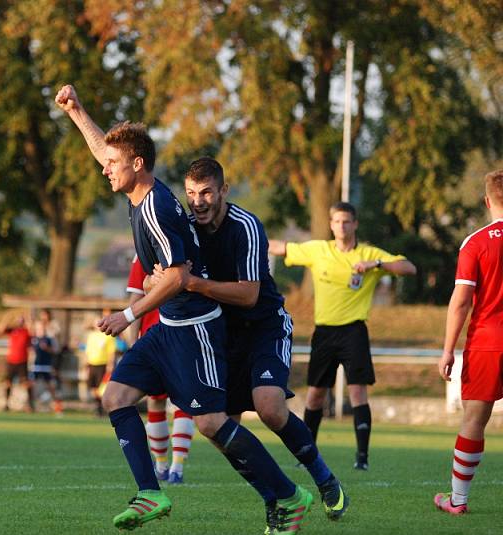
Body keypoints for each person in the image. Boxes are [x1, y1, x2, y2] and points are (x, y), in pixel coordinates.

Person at [56, 84, 312, 534]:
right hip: (169, 327)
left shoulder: (155, 206)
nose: (104, 170)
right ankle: (151, 491)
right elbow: (107, 151)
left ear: (137, 165)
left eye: (112, 166)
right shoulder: (137, 188)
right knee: (115, 397)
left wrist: (128, 314)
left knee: (212, 423)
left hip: (195, 330)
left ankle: (286, 496)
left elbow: (177, 276)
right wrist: (77, 112)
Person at [154, 157, 347, 520]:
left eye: (207, 192)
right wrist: (156, 282)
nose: (198, 201)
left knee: (270, 407)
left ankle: (325, 480)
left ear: (223, 190)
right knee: (214, 425)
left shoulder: (246, 226)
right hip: (221, 336)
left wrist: (191, 283)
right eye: (192, 193)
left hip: (264, 327)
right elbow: (164, 274)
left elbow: (248, 295)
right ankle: (276, 497)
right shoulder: (185, 226)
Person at [268, 201, 416, 470]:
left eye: (346, 221)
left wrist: (377, 264)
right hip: (324, 332)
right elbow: (279, 247)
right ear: (331, 224)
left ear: (355, 224)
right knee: (314, 395)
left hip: (354, 331)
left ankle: (362, 458)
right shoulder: (318, 250)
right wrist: (249, 237)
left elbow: (409, 268)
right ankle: (307, 453)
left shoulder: (368, 253)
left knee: (358, 393)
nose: (341, 226)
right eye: (336, 221)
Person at [434, 169, 503, 515]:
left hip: (488, 342)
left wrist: (448, 349)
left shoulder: (476, 242)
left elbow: (461, 300)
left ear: (487, 201)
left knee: (474, 420)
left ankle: (458, 501)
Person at [127, 256, 196, 484]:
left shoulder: (144, 250)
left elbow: (135, 297)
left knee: (156, 401)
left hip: (156, 334)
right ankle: (176, 468)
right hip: (183, 334)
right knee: (181, 400)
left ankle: (163, 466)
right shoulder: (187, 243)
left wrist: (132, 341)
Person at [83, 312, 117, 417]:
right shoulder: (91, 336)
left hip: (102, 364)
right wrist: (85, 364)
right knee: (93, 388)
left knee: (101, 388)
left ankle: (101, 409)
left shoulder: (108, 335)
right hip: (92, 364)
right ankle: (99, 406)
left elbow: (111, 351)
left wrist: (110, 364)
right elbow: (87, 351)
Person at [0, 314, 34, 412]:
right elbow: (0, 330)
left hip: (22, 361)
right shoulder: (12, 331)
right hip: (11, 361)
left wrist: (28, 320)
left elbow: (32, 331)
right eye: (19, 320)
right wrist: (7, 318)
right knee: (7, 383)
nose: (20, 322)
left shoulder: (26, 332)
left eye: (22, 321)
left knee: (26, 383)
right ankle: (6, 403)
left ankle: (30, 404)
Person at [31, 319, 63, 415]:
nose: (40, 329)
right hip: (36, 366)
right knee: (33, 386)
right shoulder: (34, 339)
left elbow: (55, 350)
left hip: (46, 366)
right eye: (38, 328)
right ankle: (33, 406)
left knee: (50, 387)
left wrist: (47, 348)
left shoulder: (48, 339)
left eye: (42, 328)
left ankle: (57, 408)